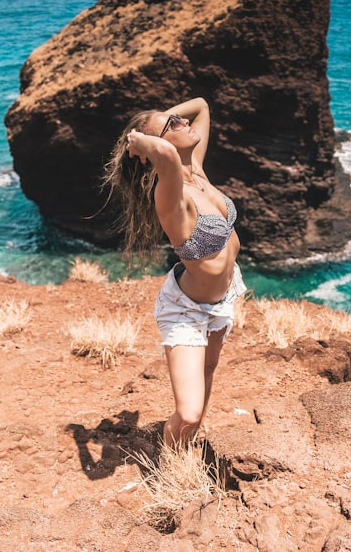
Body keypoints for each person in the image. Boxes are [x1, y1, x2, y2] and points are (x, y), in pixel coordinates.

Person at [103, 97, 245, 447]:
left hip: (221, 299)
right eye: (173, 125)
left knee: (207, 374)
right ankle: (169, 472)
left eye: (179, 120)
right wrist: (138, 141)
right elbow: (165, 157)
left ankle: (186, 449)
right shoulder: (170, 192)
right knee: (189, 411)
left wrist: (164, 122)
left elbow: (202, 106)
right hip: (185, 310)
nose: (183, 123)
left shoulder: (196, 169)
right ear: (158, 147)